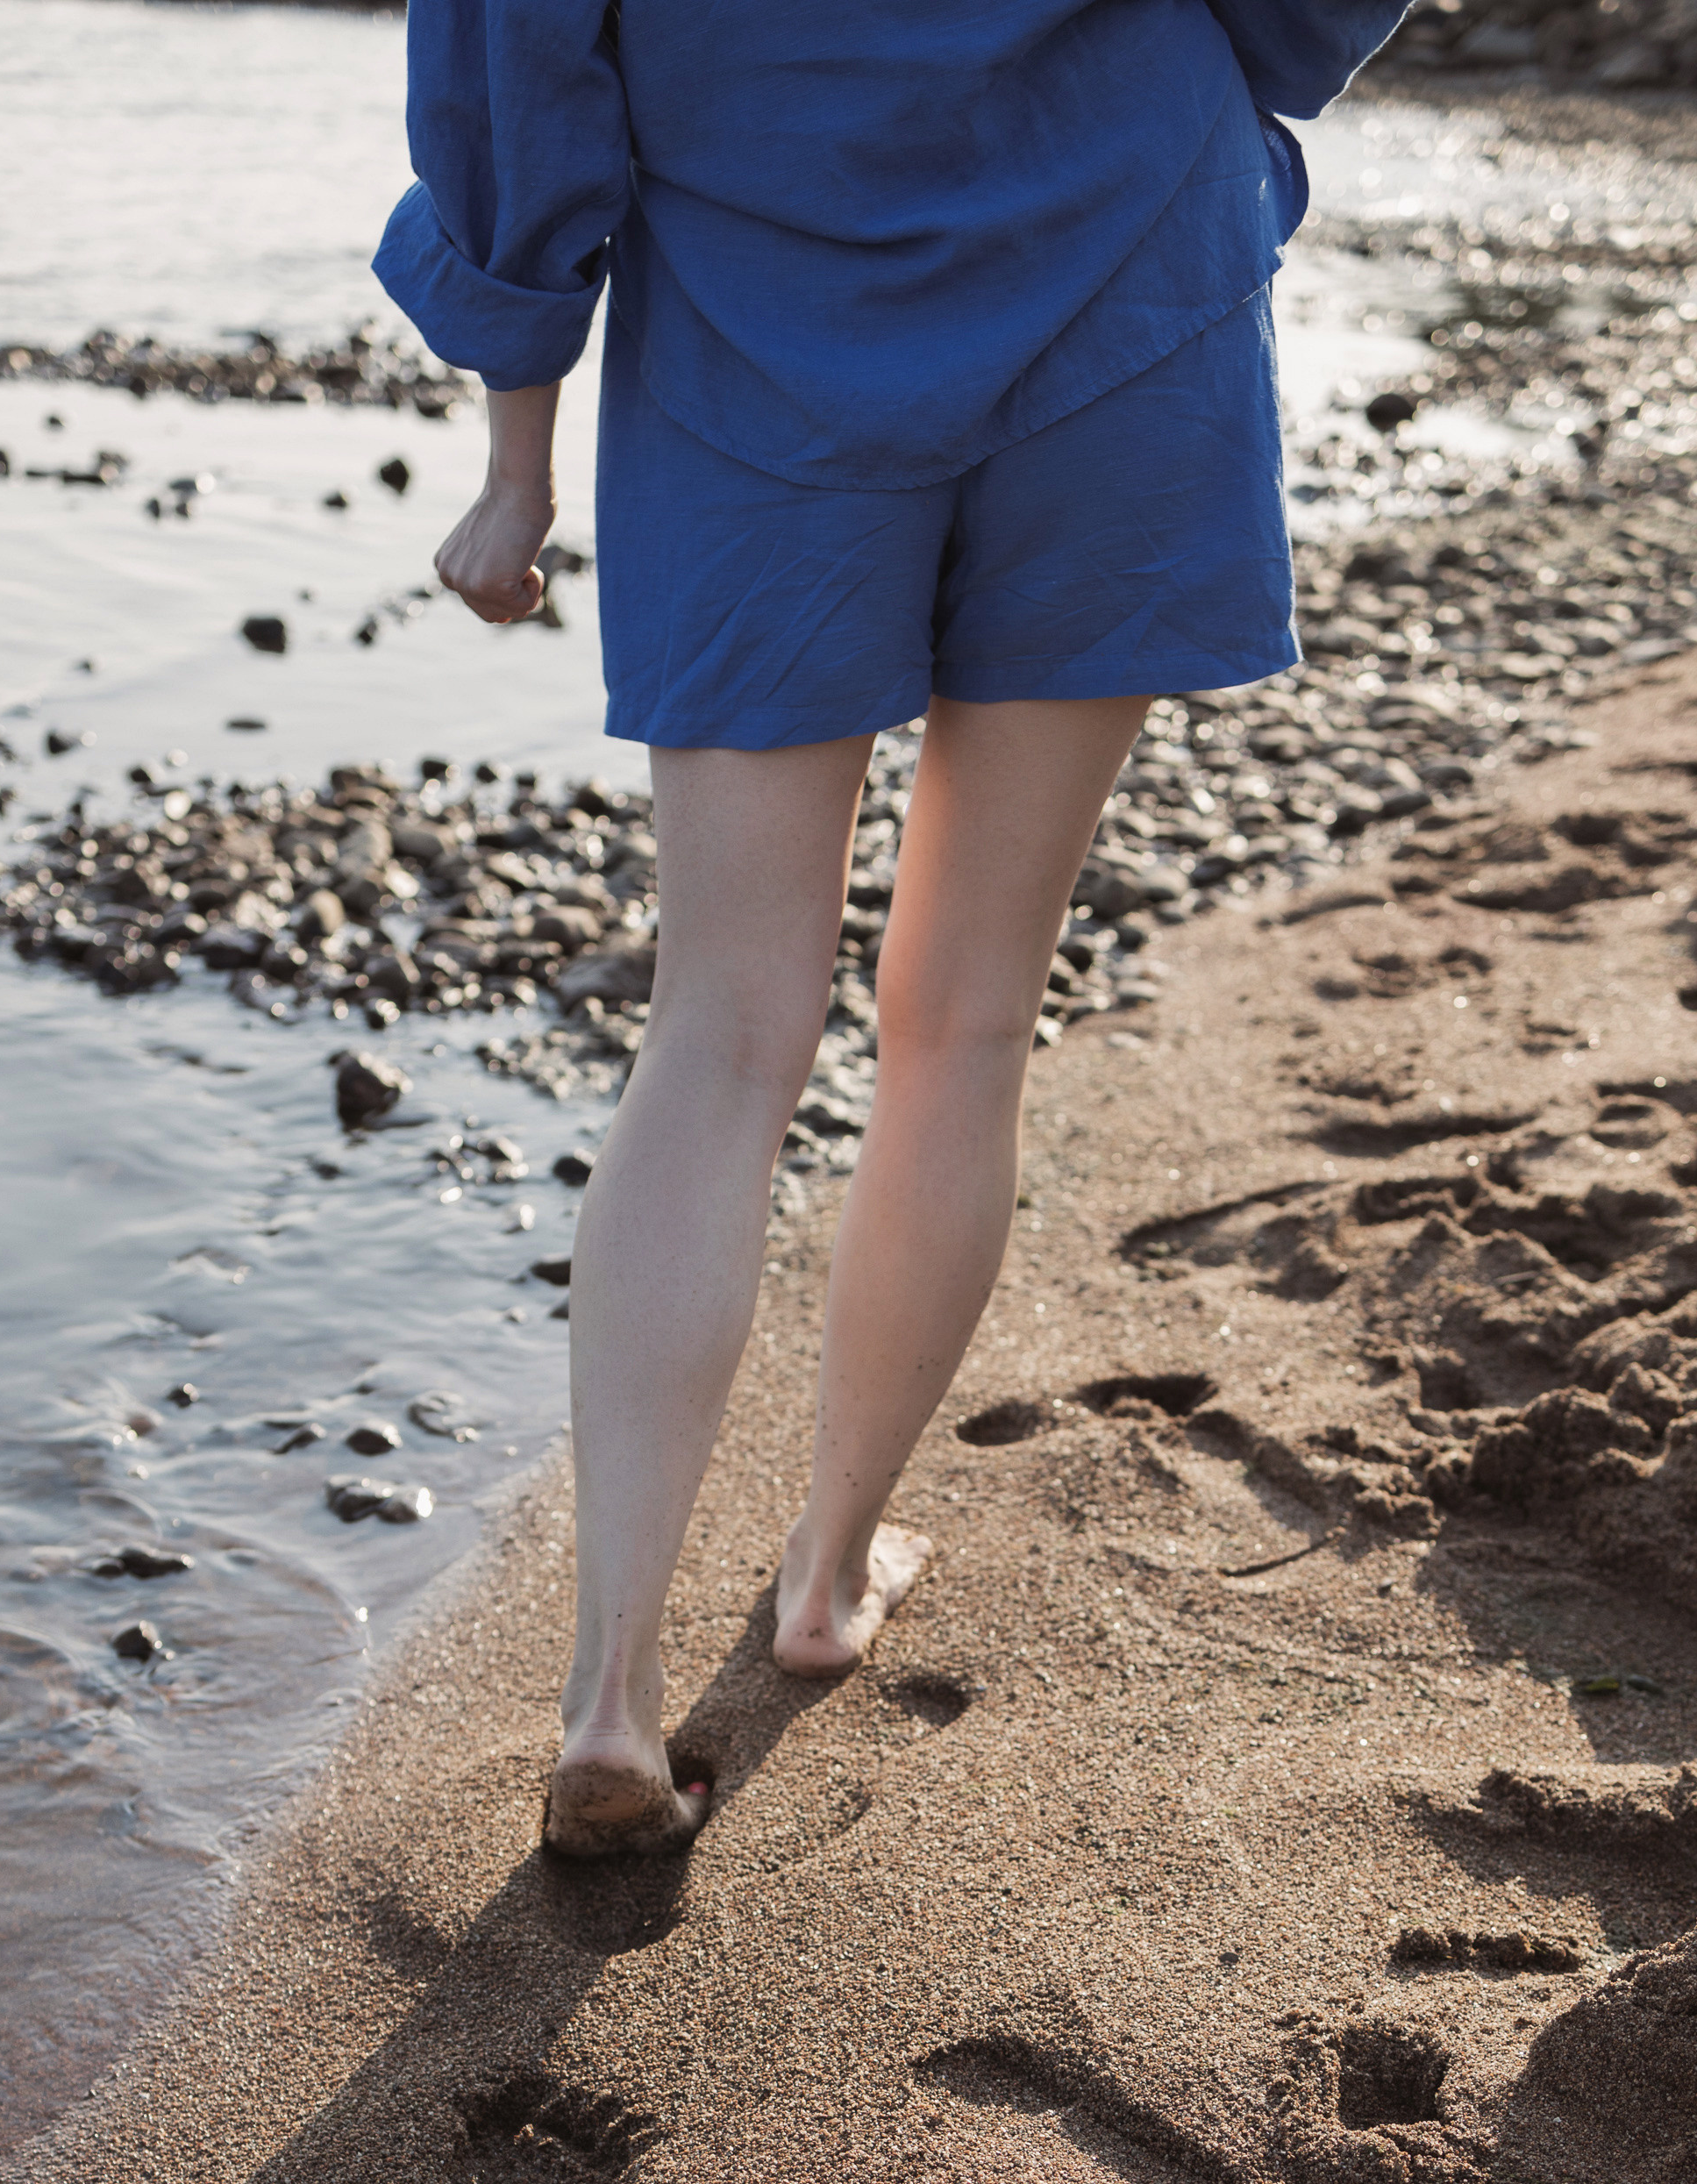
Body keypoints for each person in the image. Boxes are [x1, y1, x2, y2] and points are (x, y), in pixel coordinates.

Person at [378, 1, 1403, 1856]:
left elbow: (515, 68)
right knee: (964, 1018)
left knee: (722, 1028)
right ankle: (828, 1582)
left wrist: (515, 457)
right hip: (1123, 288)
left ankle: (611, 1692)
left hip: (759, 333)